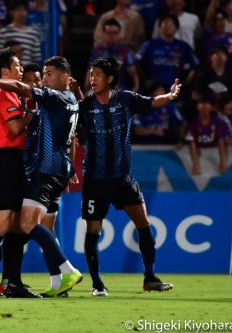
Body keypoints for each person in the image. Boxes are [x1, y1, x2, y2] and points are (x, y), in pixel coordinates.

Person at [0, 49, 82, 298]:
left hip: (18, 163)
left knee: (18, 226)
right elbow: (12, 128)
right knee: (5, 224)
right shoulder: (4, 92)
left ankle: (13, 282)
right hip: (6, 160)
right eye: (17, 65)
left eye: (48, 74)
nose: (22, 70)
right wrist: (30, 113)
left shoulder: (48, 97)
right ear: (5, 71)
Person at [76, 57, 177, 296]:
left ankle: (150, 277)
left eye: (97, 74)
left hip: (122, 178)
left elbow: (153, 102)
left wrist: (171, 96)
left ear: (109, 79)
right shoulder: (85, 106)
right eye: (91, 74)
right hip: (95, 180)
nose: (93, 78)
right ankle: (97, 284)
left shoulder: (126, 100)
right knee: (93, 230)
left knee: (143, 224)